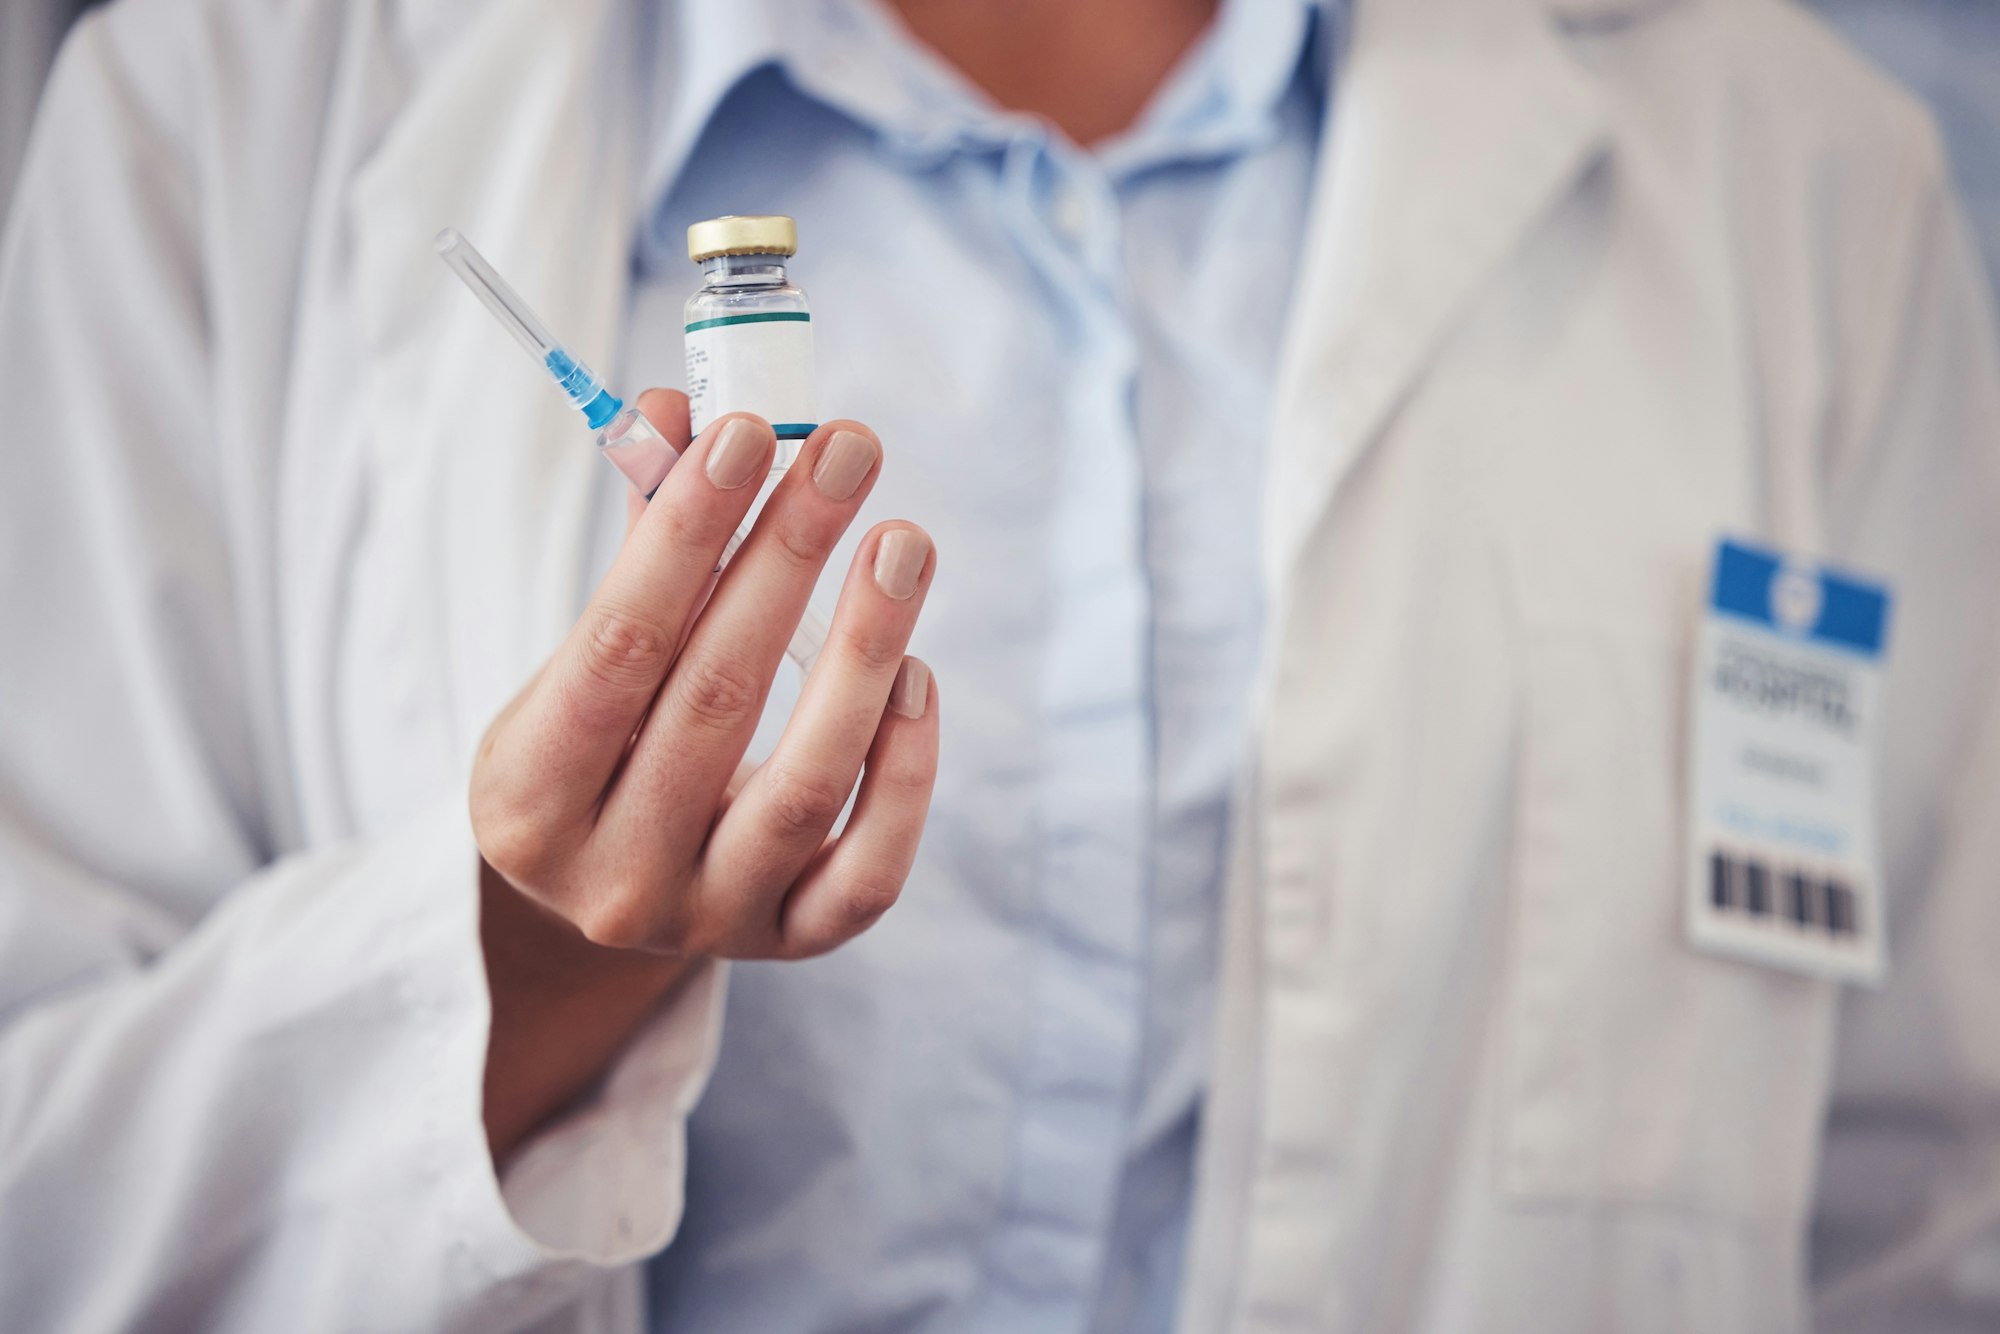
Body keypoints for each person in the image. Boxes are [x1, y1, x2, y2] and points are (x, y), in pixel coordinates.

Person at [2, 0, 1997, 1330]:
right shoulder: (232, 100)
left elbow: (1919, 1221)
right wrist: (525, 980)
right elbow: (45, 1202)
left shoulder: (1801, 173)